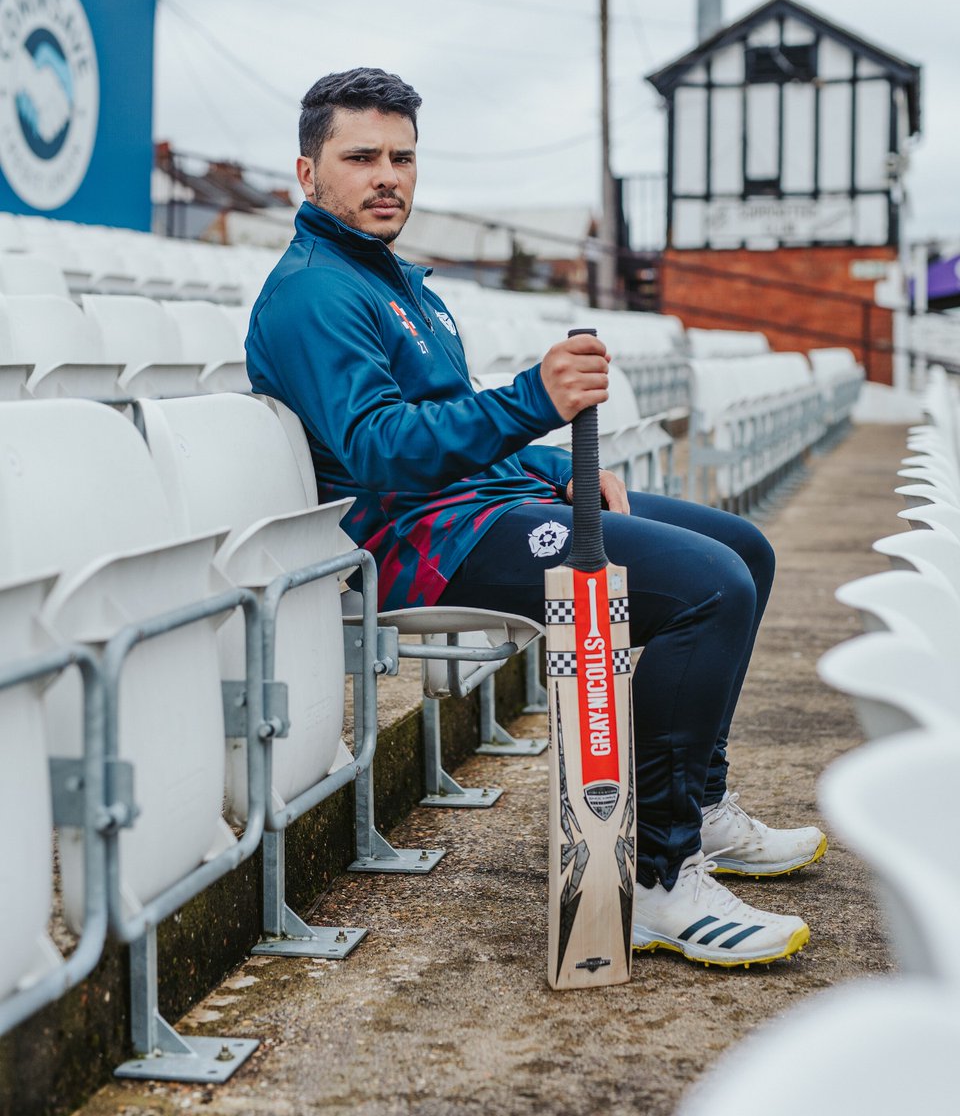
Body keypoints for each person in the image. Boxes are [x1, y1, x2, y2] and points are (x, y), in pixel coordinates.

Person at [245, 66, 827, 969]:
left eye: (402, 156)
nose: (387, 174)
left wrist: (553, 465)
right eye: (360, 156)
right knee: (707, 588)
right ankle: (660, 879)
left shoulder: (394, 281)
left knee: (740, 547)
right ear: (307, 173)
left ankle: (697, 810)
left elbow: (448, 419)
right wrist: (532, 403)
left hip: (476, 507)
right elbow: (381, 448)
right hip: (413, 543)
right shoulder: (316, 293)